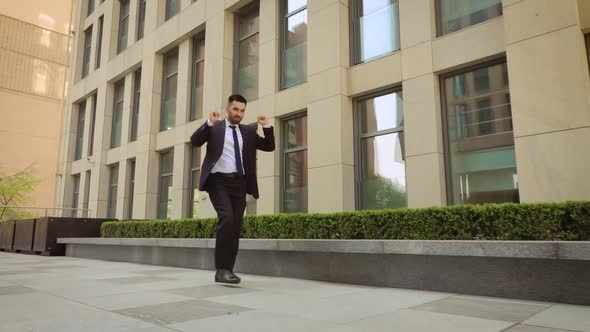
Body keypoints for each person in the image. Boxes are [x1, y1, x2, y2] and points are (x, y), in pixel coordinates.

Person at [190, 94, 275, 284]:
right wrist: (208, 123)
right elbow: (195, 141)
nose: (239, 113)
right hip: (218, 181)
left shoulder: (248, 131)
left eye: (242, 110)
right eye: (235, 109)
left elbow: (269, 146)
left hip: (240, 183)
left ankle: (227, 270)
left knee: (235, 226)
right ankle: (221, 269)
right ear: (228, 109)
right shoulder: (216, 128)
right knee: (227, 218)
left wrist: (266, 126)